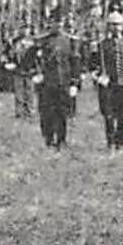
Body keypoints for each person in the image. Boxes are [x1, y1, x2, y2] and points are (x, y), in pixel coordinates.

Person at [96, 12, 123, 149]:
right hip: (108, 85)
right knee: (108, 115)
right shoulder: (102, 45)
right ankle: (110, 142)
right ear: (108, 27)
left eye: (118, 25)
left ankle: (120, 142)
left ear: (122, 27)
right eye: (112, 25)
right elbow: (94, 65)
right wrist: (99, 77)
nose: (116, 28)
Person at [34, 18, 77, 149]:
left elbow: (74, 61)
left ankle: (61, 139)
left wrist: (74, 82)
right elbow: (34, 59)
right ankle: (49, 139)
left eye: (59, 23)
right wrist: (37, 73)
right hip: (47, 82)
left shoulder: (69, 40)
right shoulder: (42, 41)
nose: (57, 26)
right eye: (53, 23)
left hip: (63, 81)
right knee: (47, 112)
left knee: (62, 112)